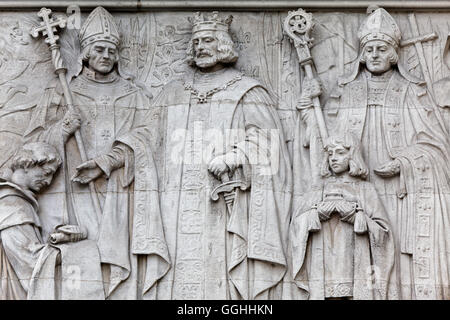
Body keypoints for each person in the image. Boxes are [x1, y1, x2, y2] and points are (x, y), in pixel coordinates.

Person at [299, 7, 450, 299]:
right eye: (369, 49)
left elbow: (437, 148)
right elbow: (324, 141)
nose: (375, 54)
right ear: (362, 54)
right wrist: (308, 106)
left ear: (394, 54)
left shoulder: (410, 91)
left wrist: (404, 161)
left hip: (401, 190)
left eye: (382, 48)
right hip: (355, 188)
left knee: (392, 247)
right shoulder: (347, 91)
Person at [24, 7, 169, 299]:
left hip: (120, 193)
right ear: (85, 54)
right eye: (99, 49)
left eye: (111, 51)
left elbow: (149, 136)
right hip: (75, 191)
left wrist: (107, 161)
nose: (106, 56)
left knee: (116, 259)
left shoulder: (135, 95)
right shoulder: (63, 92)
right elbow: (33, 146)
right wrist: (62, 130)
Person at [148, 11, 292, 299]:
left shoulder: (247, 91)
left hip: (226, 203)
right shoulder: (173, 92)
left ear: (223, 44)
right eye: (197, 41)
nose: (201, 46)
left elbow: (269, 142)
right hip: (174, 204)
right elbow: (147, 137)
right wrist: (110, 159)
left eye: (208, 40)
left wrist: (234, 157)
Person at [289, 134, 396, 299]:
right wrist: (316, 214)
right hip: (322, 269)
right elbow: (296, 226)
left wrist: (356, 217)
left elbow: (383, 233)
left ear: (352, 155)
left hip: (354, 269)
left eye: (340, 153)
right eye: (330, 154)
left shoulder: (365, 189)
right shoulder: (318, 189)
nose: (333, 158)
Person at [0, 142, 103, 300]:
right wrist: (75, 248)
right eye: (47, 173)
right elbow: (30, 260)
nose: (48, 182)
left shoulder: (17, 201)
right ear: (28, 163)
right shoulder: (13, 205)